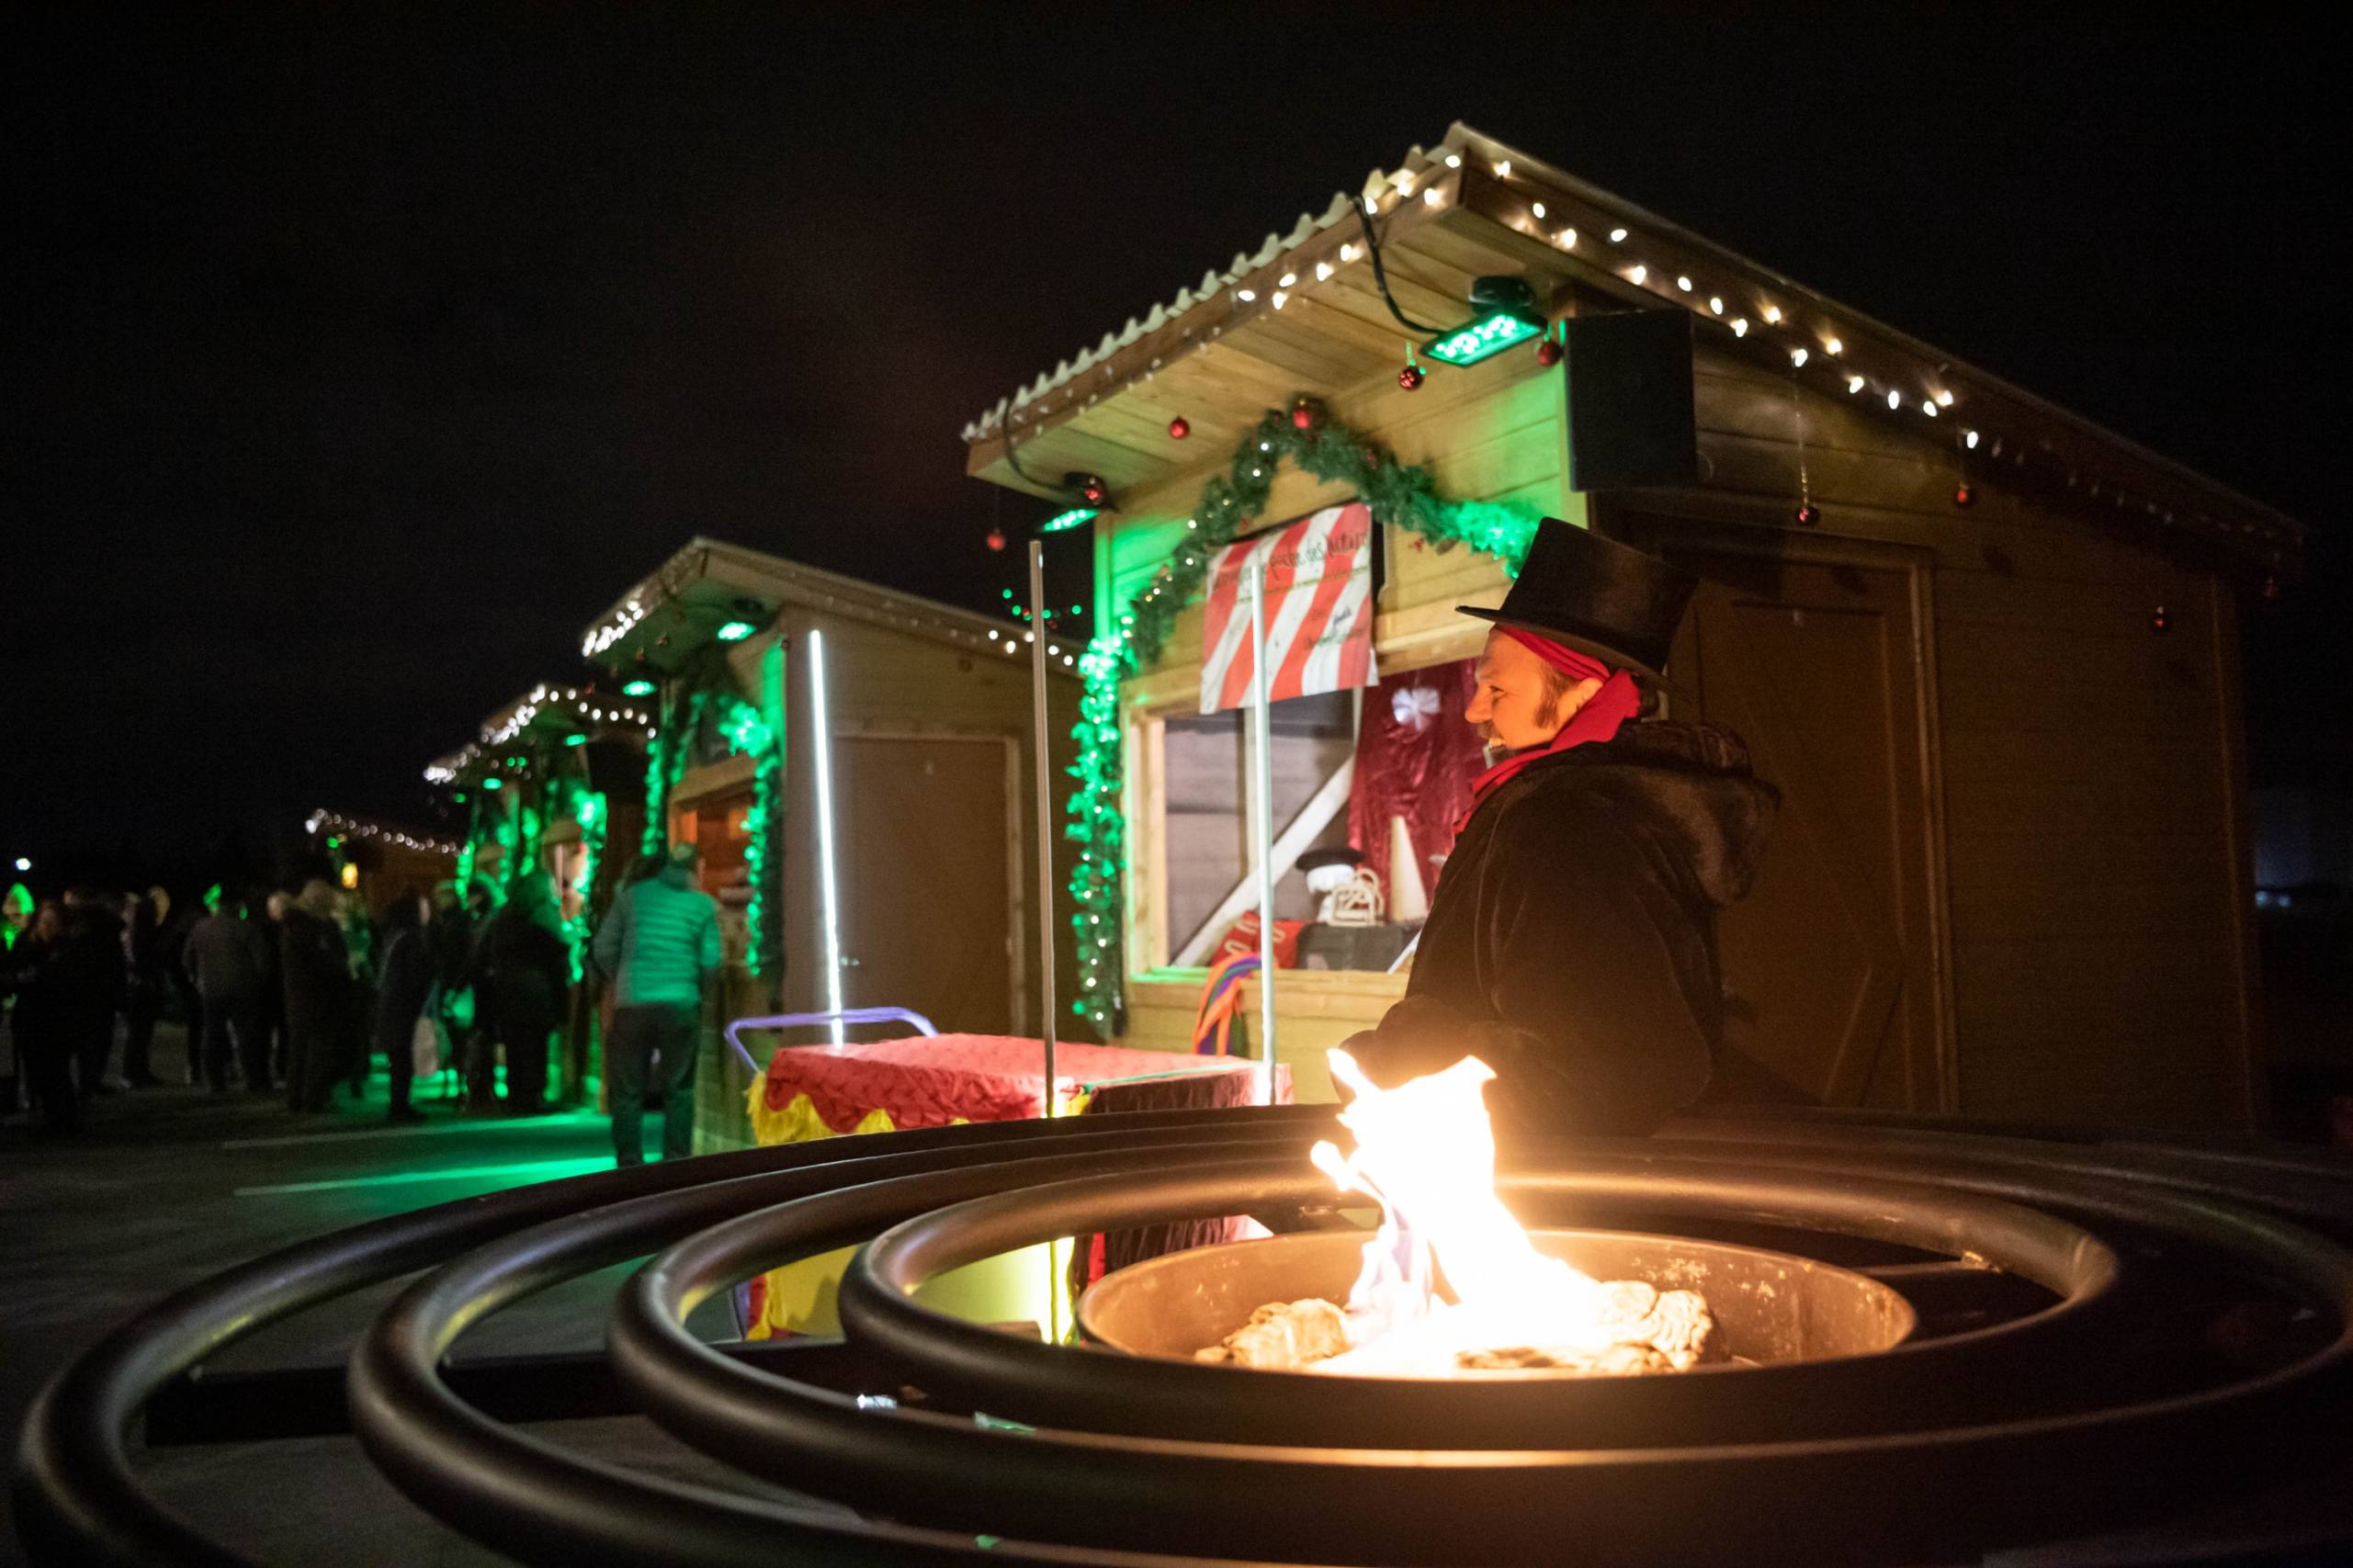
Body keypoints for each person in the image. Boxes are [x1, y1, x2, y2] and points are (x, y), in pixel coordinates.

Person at [1341, 520, 1778, 1138]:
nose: (1473, 709)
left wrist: (1402, 1050)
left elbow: (1604, 1068)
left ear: (1582, 696)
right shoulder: (1594, 806)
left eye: (1496, 686)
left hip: (1540, 1209)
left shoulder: (1564, 824)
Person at [592, 841, 720, 1166]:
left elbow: (603, 946)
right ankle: (675, 1161)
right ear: (697, 870)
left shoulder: (632, 898)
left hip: (632, 1003)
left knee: (628, 1090)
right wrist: (701, 992)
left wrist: (622, 977)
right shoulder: (704, 906)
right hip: (680, 1003)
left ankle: (629, 1162)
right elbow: (711, 961)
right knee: (679, 1089)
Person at [471, 870, 571, 1113]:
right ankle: (532, 1095)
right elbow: (557, 956)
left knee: (515, 1044)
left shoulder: (503, 918)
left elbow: (482, 953)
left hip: (506, 991)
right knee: (535, 1045)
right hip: (537, 991)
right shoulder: (543, 916)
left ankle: (517, 1095)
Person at [185, 889, 272, 1092]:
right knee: (247, 1035)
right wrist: (259, 983)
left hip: (210, 989)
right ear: (235, 905)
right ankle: (254, 1079)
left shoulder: (200, 928)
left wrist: (196, 978)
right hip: (243, 989)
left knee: (212, 1034)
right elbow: (262, 961)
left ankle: (214, 1081)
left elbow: (187, 956)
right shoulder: (246, 928)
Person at [6, 903, 79, 1132]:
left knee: (57, 1069)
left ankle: (63, 1118)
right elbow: (15, 975)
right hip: (30, 1018)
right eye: (45, 922)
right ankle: (49, 1115)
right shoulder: (26, 945)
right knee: (37, 1069)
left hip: (57, 1019)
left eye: (53, 923)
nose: (49, 927)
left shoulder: (65, 949)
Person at [279, 879, 351, 1113]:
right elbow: (326, 962)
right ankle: (312, 1099)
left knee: (299, 1049)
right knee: (317, 1051)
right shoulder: (312, 929)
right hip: (318, 997)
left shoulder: (292, 926)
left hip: (299, 998)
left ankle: (295, 1097)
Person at [373, 892, 436, 1124]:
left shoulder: (395, 937)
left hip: (392, 1005)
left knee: (398, 1057)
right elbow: (417, 975)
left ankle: (399, 1103)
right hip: (403, 1007)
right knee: (402, 1058)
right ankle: (400, 1105)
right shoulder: (412, 939)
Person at [59, 888, 127, 1100]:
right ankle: (90, 1082)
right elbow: (116, 961)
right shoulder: (106, 927)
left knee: (82, 1041)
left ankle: (84, 1084)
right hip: (100, 990)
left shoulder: (76, 927)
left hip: (83, 990)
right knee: (97, 1039)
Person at [120, 890, 164, 1088]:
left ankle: (137, 1071)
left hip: (136, 986)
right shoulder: (142, 933)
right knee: (140, 1032)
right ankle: (134, 1072)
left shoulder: (132, 932)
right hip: (141, 986)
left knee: (139, 1032)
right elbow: (142, 959)